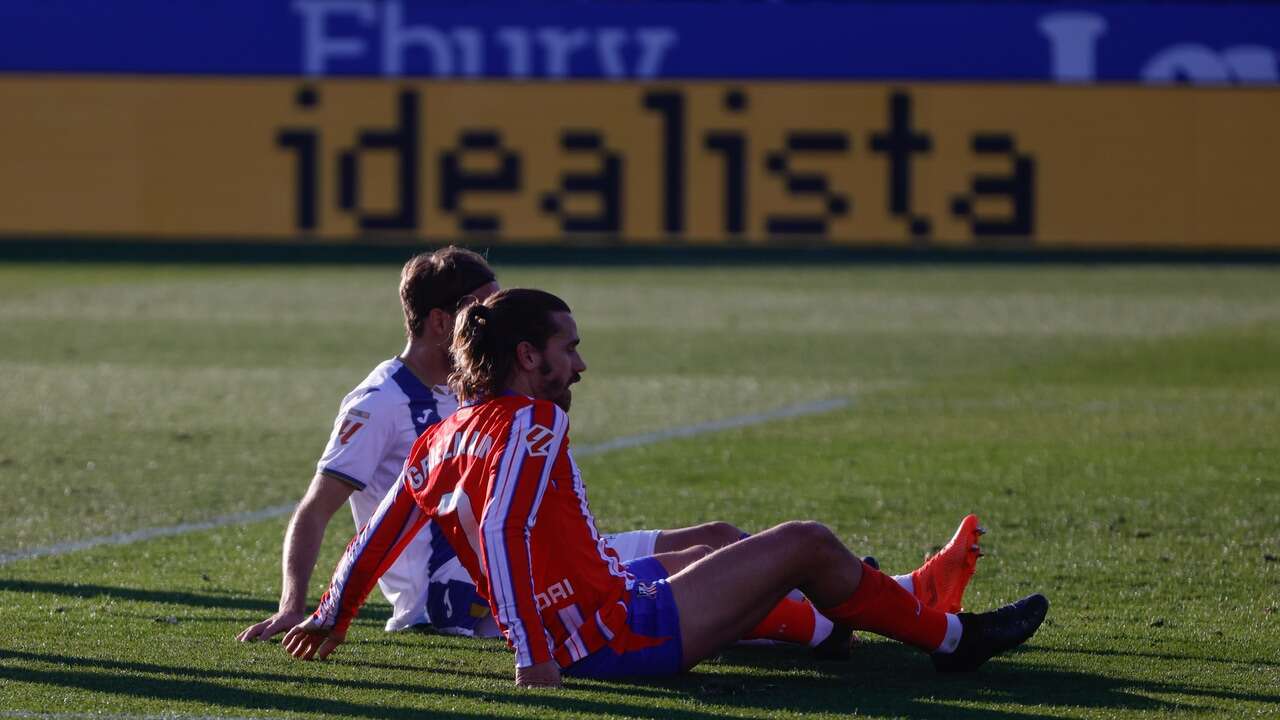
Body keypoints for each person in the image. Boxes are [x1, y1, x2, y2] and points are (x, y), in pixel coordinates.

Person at [282, 289, 1047, 686]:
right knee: (804, 541)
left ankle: (853, 621)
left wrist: (332, 613)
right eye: (568, 348)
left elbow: (382, 528)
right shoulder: (532, 423)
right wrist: (533, 656)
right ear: (528, 357)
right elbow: (504, 533)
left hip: (590, 610)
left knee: (725, 546)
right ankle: (952, 638)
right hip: (609, 634)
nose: (579, 365)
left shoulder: (447, 433)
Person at [235, 247, 882, 647]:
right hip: (455, 594)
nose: (496, 317)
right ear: (440, 322)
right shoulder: (379, 402)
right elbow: (318, 507)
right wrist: (297, 604)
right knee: (681, 578)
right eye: (481, 308)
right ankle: (838, 620)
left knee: (715, 536)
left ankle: (863, 599)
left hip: (528, 556)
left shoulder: (469, 389)